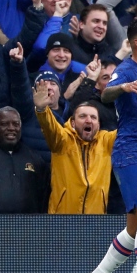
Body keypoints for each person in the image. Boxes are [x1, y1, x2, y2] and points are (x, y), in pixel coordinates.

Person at [83, 18, 137, 273]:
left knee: (134, 229)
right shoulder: (126, 70)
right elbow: (106, 94)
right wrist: (125, 88)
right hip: (131, 152)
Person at [34, 58, 117, 214]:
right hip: (62, 220)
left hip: (97, 221)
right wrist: (41, 109)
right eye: (83, 116)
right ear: (72, 122)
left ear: (99, 124)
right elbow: (49, 126)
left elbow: (130, 130)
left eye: (93, 117)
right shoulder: (62, 140)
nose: (88, 120)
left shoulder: (106, 141)